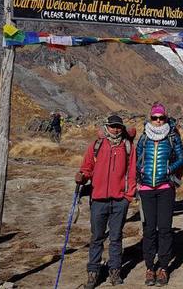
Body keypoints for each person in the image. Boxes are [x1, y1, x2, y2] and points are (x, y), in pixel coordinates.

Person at [75, 115, 136, 288]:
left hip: (119, 200)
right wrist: (82, 176)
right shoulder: (96, 145)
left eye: (118, 127)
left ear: (122, 128)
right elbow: (87, 168)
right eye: (112, 126)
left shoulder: (128, 146)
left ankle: (115, 272)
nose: (115, 129)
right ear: (106, 127)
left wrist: (128, 196)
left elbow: (132, 173)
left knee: (116, 238)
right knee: (97, 238)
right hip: (98, 199)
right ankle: (93, 274)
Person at [137, 103, 183, 286]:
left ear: (166, 118)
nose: (158, 121)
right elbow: (136, 158)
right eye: (155, 117)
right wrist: (140, 171)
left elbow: (181, 157)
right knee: (149, 230)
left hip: (165, 188)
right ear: (150, 118)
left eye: (161, 118)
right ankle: (150, 268)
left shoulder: (172, 137)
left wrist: (168, 169)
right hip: (146, 189)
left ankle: (163, 268)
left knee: (164, 229)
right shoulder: (144, 138)